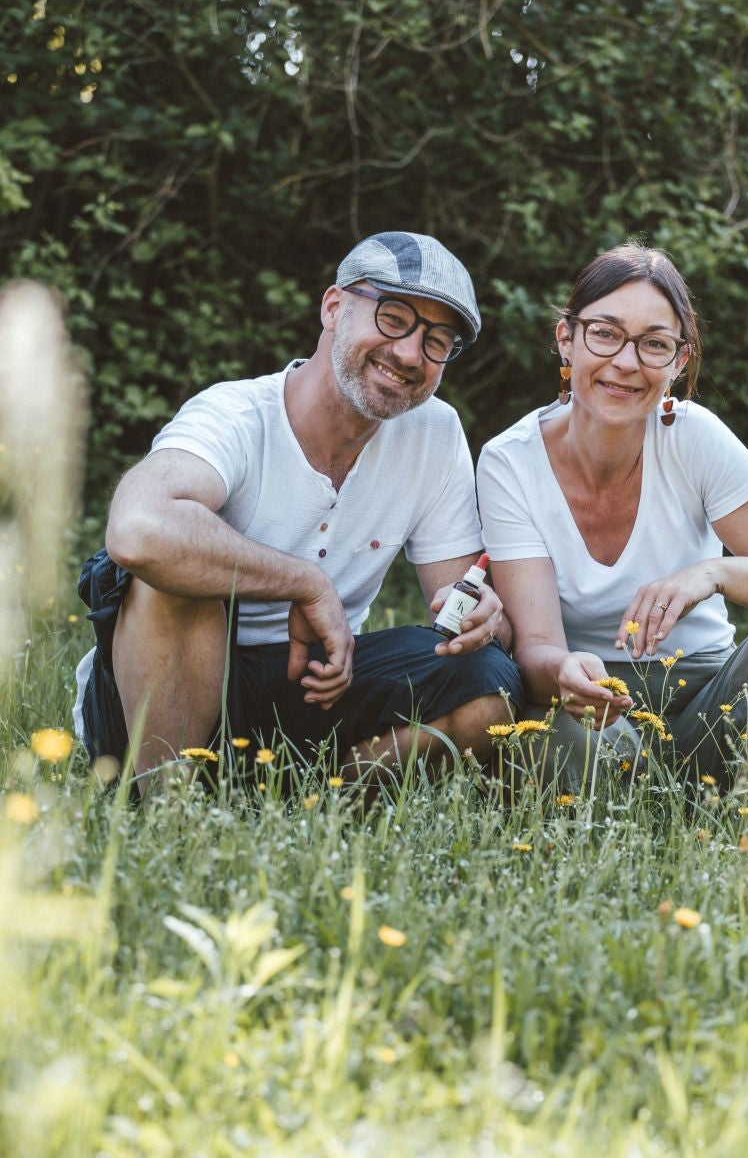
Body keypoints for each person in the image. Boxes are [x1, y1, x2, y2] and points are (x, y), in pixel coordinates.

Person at [73, 231, 522, 792]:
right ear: (334, 307)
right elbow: (139, 530)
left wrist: (486, 619)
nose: (410, 353)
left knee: (492, 684)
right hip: (165, 692)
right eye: (393, 317)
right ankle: (168, 810)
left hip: (317, 687)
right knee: (173, 573)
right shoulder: (236, 413)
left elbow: (462, 598)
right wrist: (305, 584)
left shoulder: (434, 431)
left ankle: (312, 805)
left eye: (437, 340)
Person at [477, 243, 748, 807]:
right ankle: (645, 821)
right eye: (605, 334)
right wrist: (565, 671)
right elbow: (536, 649)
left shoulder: (693, 438)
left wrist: (712, 573)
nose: (627, 362)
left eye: (654, 344)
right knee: (553, 737)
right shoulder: (509, 461)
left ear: (678, 362)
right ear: (566, 338)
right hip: (590, 706)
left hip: (712, 699)